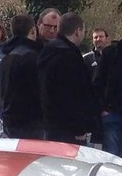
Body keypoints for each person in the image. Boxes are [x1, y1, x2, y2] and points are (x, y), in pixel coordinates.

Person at [38, 12, 98, 145]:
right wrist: (80, 128)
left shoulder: (47, 51)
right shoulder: (69, 56)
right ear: (77, 31)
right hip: (69, 128)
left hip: (50, 122)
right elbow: (73, 94)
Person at [0, 14, 43, 139]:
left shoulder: (7, 57)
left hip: (10, 118)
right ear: (33, 30)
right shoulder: (32, 57)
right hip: (31, 122)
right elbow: (38, 91)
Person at [94, 29, 122, 156]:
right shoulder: (110, 54)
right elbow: (97, 83)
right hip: (112, 113)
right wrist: (102, 108)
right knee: (112, 157)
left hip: (111, 113)